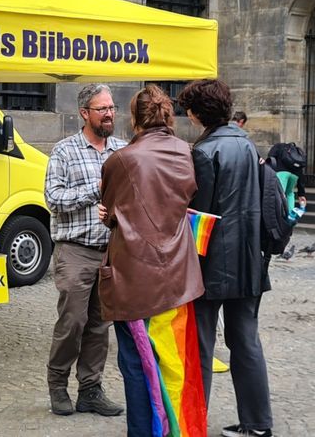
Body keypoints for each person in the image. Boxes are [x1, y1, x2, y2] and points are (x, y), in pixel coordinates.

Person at [98, 85, 207, 436]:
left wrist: (110, 216)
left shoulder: (121, 159)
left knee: (135, 363)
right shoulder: (186, 152)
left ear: (134, 118)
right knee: (173, 361)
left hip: (135, 276)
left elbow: (113, 209)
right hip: (177, 274)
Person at [178, 79, 274, 437]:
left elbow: (198, 217)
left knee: (201, 346)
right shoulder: (246, 145)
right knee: (246, 342)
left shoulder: (204, 152)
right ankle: (258, 424)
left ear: (197, 113)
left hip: (212, 265)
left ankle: (194, 423)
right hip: (249, 260)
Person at [44, 83, 126, 418]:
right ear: (84, 113)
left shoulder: (121, 150)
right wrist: (96, 190)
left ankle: (90, 389)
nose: (109, 114)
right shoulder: (63, 151)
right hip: (75, 250)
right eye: (102, 109)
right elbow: (53, 199)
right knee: (73, 321)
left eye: (111, 108)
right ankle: (58, 384)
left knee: (99, 324)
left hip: (110, 250)